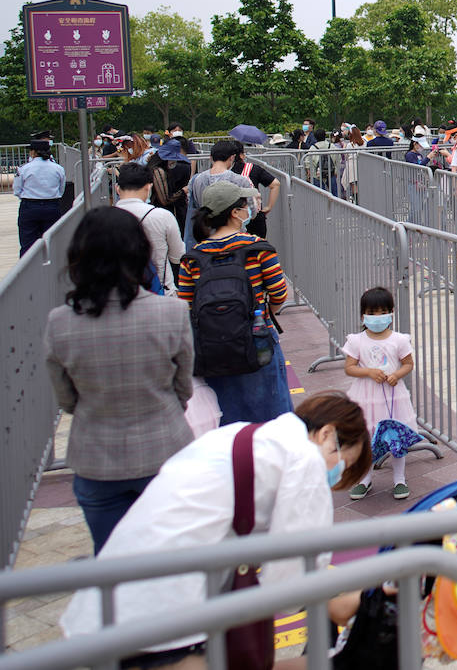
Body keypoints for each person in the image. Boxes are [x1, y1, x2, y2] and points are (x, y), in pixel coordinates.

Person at [60, 391, 372, 667]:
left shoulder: (245, 436)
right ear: (327, 434)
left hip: (117, 598)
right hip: (162, 611)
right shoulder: (305, 459)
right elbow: (292, 578)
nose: (334, 474)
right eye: (342, 464)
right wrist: (336, 603)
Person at [44, 207, 194, 552]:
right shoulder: (170, 312)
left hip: (96, 458)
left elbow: (66, 399)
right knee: (171, 557)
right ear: (140, 253)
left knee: (112, 560)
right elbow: (183, 387)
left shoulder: (60, 322)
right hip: (164, 448)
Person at [178, 181, 292, 424]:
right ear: (235, 213)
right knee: (273, 422)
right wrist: (263, 314)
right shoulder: (258, 248)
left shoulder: (193, 257)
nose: (248, 209)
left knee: (226, 421)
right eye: (244, 205)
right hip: (258, 340)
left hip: (212, 347)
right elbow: (279, 294)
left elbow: (186, 305)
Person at [344, 287, 416, 501]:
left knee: (396, 435)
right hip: (365, 396)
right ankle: (365, 479)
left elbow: (408, 364)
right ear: (363, 315)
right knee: (366, 437)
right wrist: (367, 371)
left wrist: (397, 374)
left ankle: (399, 479)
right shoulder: (356, 341)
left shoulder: (399, 340)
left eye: (382, 312)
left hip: (394, 396)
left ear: (391, 313)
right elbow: (350, 367)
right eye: (372, 313)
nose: (377, 317)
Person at [114, 163, 186, 288]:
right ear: (148, 187)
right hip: (161, 289)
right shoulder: (162, 216)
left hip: (120, 292)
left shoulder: (103, 218)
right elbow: (178, 256)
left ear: (117, 188)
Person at [184, 139, 256, 248]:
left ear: (211, 158)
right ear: (232, 158)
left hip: (206, 235)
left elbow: (192, 203)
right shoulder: (240, 180)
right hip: (235, 238)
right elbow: (252, 211)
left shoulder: (196, 180)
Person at [14, 139, 66, 255]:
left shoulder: (24, 168)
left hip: (30, 207)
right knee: (52, 242)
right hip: (52, 206)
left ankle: (28, 271)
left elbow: (17, 190)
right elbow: (61, 190)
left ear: (33, 152)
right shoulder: (58, 168)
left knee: (28, 244)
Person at [230, 141, 279, 239]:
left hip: (233, 219)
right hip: (255, 218)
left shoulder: (226, 172)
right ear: (241, 155)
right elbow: (276, 184)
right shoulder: (253, 168)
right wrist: (269, 207)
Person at [148, 139, 193, 231]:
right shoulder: (158, 171)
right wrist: (183, 191)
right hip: (160, 213)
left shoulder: (159, 169)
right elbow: (165, 199)